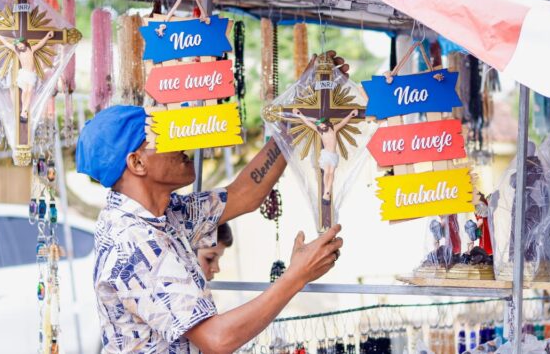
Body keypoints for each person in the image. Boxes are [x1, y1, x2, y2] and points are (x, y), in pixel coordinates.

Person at [77, 53, 348, 354]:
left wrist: (301, 103)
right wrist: (297, 275)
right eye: (165, 136)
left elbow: (246, 193)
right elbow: (217, 339)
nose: (181, 142)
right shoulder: (133, 241)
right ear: (137, 162)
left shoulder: (164, 213)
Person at [291, 108, 358, 203]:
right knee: (327, 172)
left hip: (333, 155)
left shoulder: (334, 129)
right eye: (320, 126)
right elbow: (308, 123)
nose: (322, 127)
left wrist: (351, 114)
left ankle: (327, 191)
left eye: (322, 124)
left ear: (327, 123)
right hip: (326, 154)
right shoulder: (321, 132)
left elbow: (343, 122)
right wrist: (299, 114)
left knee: (331, 173)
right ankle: (326, 192)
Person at [0, 29, 55, 122]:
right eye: (18, 45)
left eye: (20, 44)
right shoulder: (18, 52)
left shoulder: (31, 49)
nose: (19, 46)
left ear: (24, 43)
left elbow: (41, 44)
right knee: (25, 92)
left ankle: (24, 111)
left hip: (31, 74)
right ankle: (24, 112)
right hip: (24, 74)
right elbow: (7, 44)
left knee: (29, 92)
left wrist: (47, 36)